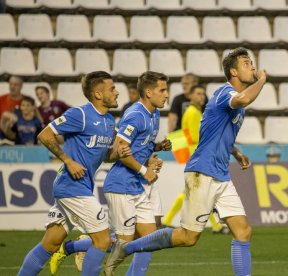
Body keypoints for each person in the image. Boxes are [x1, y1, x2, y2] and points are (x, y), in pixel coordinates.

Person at [104, 47, 267, 276]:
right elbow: (245, 98)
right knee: (187, 237)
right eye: (246, 63)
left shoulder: (233, 101)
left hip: (221, 174)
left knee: (243, 232)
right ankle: (125, 247)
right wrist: (262, 80)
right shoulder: (225, 93)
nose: (252, 66)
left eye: (252, 63)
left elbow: (215, 133)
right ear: (233, 72)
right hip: (203, 173)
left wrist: (236, 152)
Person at [48, 71, 171, 276]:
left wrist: (155, 149)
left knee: (149, 239)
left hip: (137, 183)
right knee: (123, 242)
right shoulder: (135, 115)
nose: (167, 94)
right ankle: (78, 249)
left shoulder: (154, 113)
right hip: (122, 184)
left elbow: (138, 146)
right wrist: (144, 170)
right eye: (163, 90)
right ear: (149, 92)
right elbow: (121, 150)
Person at [18, 71, 131, 276]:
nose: (116, 93)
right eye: (112, 88)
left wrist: (117, 153)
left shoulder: (108, 121)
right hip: (72, 187)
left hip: (78, 187)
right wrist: (68, 161)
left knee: (50, 244)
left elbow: (105, 155)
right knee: (103, 240)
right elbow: (44, 135)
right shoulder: (80, 114)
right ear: (98, 94)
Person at [163, 85, 229, 234]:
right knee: (198, 191)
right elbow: (195, 137)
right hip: (198, 156)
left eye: (203, 94)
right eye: (198, 94)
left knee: (199, 192)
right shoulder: (193, 113)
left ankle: (215, 226)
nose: (202, 97)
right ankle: (167, 221)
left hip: (196, 155)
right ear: (191, 97)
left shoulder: (194, 111)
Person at [0, 75, 25, 140]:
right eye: (11, 84)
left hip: (23, 135)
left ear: (21, 86)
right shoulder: (1, 99)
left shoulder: (27, 101)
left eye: (15, 85)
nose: (12, 87)